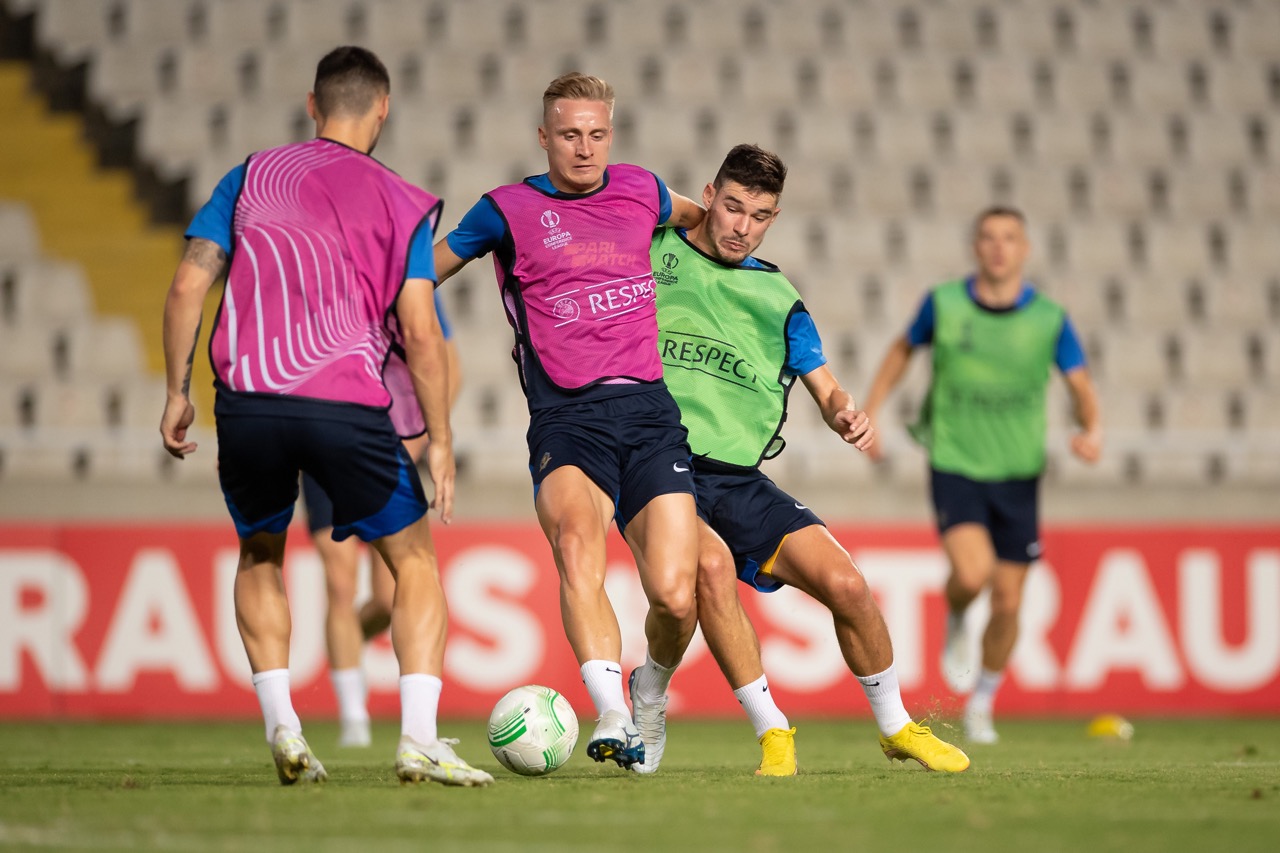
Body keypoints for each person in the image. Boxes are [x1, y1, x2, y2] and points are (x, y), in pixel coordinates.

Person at [160, 46, 491, 787]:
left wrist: (177, 390)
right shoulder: (401, 200)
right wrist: (440, 440)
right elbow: (421, 332)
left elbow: (188, 285)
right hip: (345, 404)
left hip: (246, 403)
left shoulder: (249, 176)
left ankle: (284, 725)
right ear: (383, 108)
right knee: (412, 564)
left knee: (260, 554)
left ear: (313, 105)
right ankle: (417, 738)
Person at [651, 144, 970, 776]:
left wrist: (845, 412)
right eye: (734, 206)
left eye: (761, 214)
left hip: (737, 475)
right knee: (709, 574)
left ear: (773, 219)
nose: (743, 226)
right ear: (709, 196)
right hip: (658, 464)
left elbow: (824, 388)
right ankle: (773, 733)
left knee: (848, 585)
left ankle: (896, 726)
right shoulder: (653, 250)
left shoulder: (778, 298)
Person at [433, 72, 705, 773]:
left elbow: (700, 219)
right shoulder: (506, 209)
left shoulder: (642, 190)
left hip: (649, 415)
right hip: (566, 418)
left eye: (596, 135)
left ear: (609, 135)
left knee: (677, 596)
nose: (584, 149)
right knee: (577, 544)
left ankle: (648, 689)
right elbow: (427, 269)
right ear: (544, 137)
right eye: (568, 135)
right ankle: (611, 710)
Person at [863, 205, 1103, 744]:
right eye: (988, 238)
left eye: (1009, 238)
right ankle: (955, 617)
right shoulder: (944, 304)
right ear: (976, 247)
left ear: (1024, 249)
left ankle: (983, 703)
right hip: (956, 462)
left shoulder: (1048, 318)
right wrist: (873, 408)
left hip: (1019, 471)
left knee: (1012, 601)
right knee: (972, 576)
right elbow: (902, 350)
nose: (998, 247)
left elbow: (1081, 384)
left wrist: (1091, 429)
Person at [304, 294, 461, 749]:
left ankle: (345, 643)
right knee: (339, 578)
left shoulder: (415, 286)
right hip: (325, 444)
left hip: (390, 444)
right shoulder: (321, 278)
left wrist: (424, 436)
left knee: (390, 597)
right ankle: (354, 717)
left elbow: (450, 364)